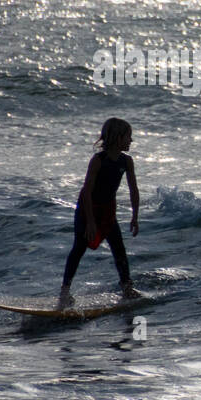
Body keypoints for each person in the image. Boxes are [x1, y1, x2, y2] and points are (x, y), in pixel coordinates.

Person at [59, 118, 141, 308]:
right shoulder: (98, 160)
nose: (131, 141)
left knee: (118, 248)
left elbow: (133, 190)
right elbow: (87, 191)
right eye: (128, 136)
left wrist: (135, 216)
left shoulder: (126, 161)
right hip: (88, 208)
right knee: (79, 247)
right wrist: (90, 222)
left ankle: (127, 289)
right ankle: (65, 292)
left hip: (107, 209)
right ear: (117, 137)